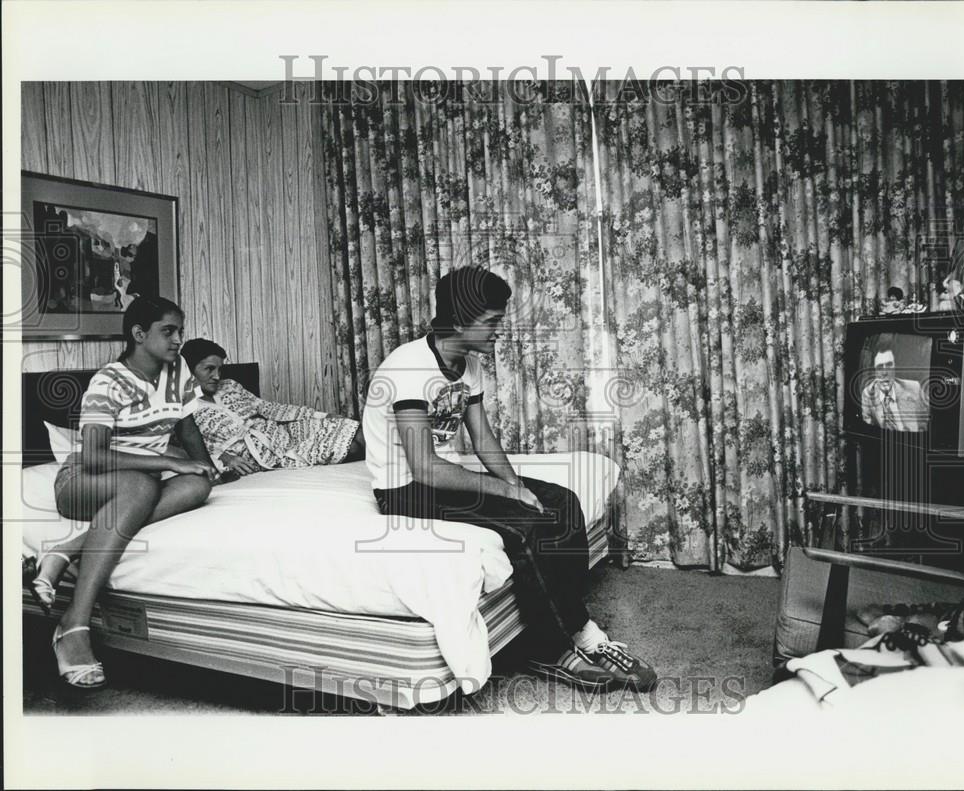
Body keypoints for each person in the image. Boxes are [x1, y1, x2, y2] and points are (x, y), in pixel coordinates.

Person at [362, 265, 657, 691]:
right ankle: (554, 649)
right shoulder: (406, 367)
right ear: (461, 321)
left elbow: (482, 438)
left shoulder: (467, 365)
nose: (500, 330)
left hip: (439, 478)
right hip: (404, 490)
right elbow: (424, 465)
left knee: (562, 502)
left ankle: (578, 629)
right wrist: (504, 491)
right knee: (524, 528)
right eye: (492, 321)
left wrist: (515, 484)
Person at [29, 296, 219, 690]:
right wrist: (171, 462)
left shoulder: (177, 370)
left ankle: (68, 549)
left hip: (133, 483)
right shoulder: (108, 381)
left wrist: (203, 467)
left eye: (180, 331)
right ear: (138, 334)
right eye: (168, 331)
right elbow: (96, 457)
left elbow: (185, 427)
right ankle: (73, 625)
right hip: (81, 482)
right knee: (140, 484)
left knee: (196, 486)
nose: (178, 340)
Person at [181, 338, 363, 475]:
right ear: (189, 369)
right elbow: (181, 447)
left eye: (220, 369)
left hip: (282, 433)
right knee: (353, 448)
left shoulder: (230, 386)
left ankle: (389, 478)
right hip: (264, 455)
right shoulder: (183, 406)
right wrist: (223, 457)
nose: (217, 376)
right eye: (209, 369)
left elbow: (269, 408)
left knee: (355, 428)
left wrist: (320, 415)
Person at [861, 343, 930, 432]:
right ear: (874, 371)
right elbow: (868, 430)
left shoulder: (914, 388)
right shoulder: (868, 395)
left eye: (889, 365)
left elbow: (925, 422)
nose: (885, 372)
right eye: (880, 367)